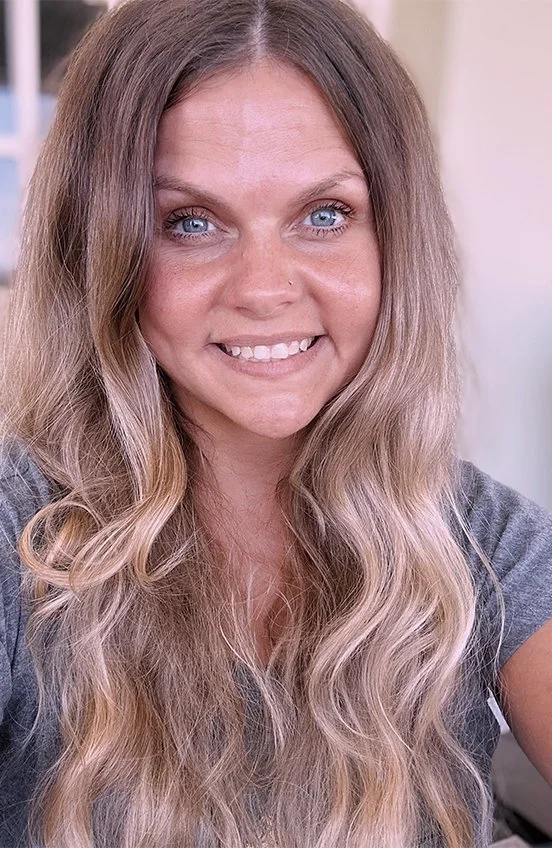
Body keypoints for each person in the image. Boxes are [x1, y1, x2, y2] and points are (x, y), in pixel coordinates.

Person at [0, 0, 551, 846]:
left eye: (324, 215)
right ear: (101, 253)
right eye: (189, 222)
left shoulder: (489, 542)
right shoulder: (18, 539)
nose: (264, 288)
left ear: (397, 241)